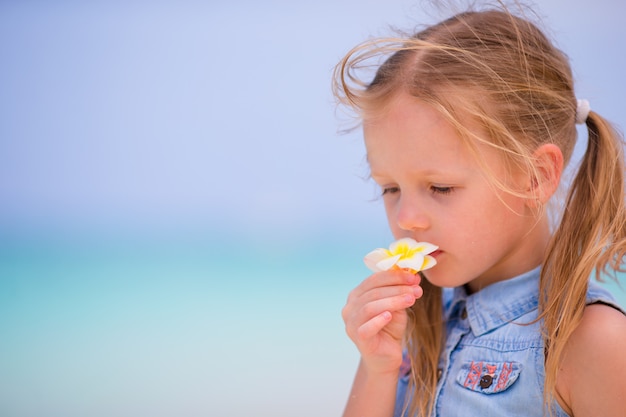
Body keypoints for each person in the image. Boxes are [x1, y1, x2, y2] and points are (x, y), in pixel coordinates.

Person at [333, 4, 626, 417]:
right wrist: (378, 367)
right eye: (391, 188)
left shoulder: (591, 341)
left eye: (441, 187)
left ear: (535, 176)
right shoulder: (412, 329)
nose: (406, 218)